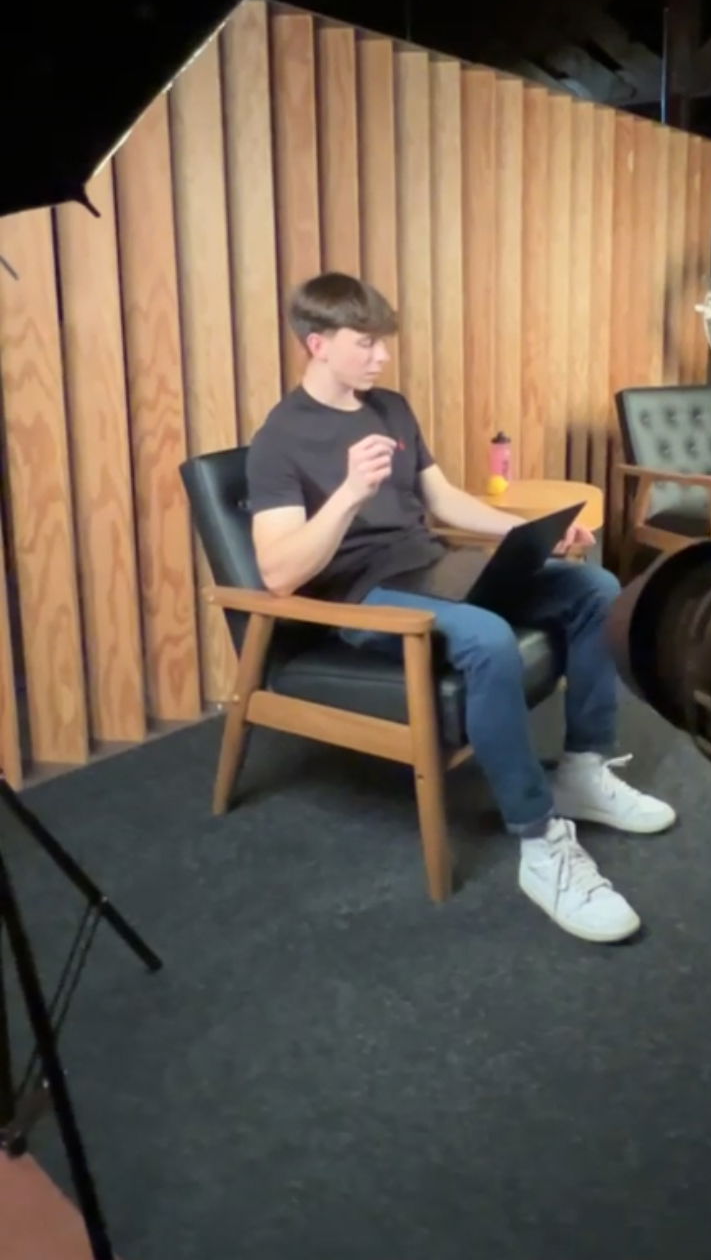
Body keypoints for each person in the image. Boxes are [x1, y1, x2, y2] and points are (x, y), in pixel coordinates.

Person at [245, 272, 676, 943]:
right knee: (488, 638)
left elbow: (443, 502)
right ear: (316, 344)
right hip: (363, 598)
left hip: (434, 569)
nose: (382, 357)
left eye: (384, 342)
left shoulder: (389, 407)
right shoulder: (277, 440)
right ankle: (539, 843)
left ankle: (584, 771)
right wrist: (349, 494)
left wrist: (524, 531)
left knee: (593, 586)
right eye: (366, 344)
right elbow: (278, 571)